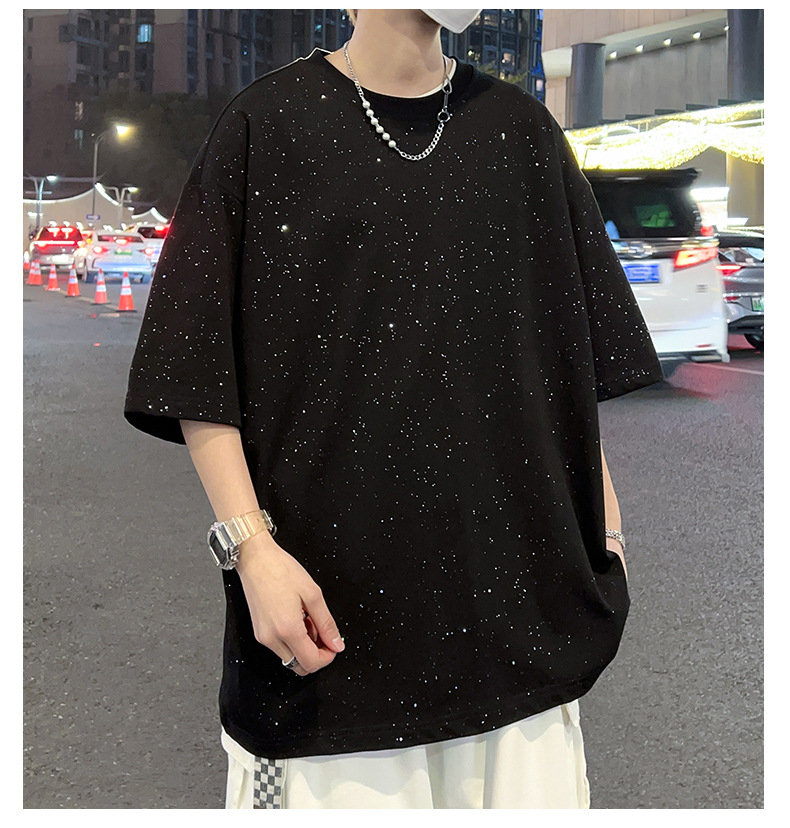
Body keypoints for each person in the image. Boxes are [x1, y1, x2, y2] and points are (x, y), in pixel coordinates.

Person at [124, 8, 664, 809]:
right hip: (328, 642)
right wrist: (251, 553)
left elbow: (561, 372)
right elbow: (199, 371)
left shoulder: (522, 134)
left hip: (524, 637)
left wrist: (608, 539)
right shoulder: (266, 127)